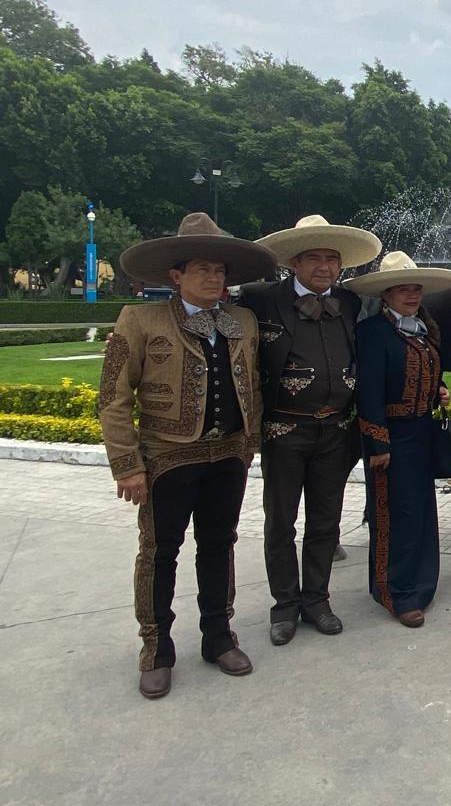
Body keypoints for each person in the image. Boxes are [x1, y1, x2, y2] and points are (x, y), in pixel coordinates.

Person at [101, 212, 276, 699]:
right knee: (159, 551)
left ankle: (219, 637)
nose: (214, 276)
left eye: (219, 269)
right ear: (176, 275)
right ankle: (155, 649)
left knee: (219, 545)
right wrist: (127, 464)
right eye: (202, 268)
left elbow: (253, 386)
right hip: (166, 457)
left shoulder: (241, 321)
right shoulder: (140, 319)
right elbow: (112, 396)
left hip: (227, 455)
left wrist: (250, 444)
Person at [240, 215, 382, 644]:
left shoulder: (350, 303)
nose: (325, 267)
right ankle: (284, 605)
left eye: (332, 259)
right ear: (294, 263)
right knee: (280, 521)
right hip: (284, 431)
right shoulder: (260, 299)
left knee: (327, 521)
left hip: (336, 432)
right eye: (315, 258)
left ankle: (317, 600)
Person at [347, 252, 451, 626]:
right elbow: (369, 393)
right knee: (394, 514)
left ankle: (422, 582)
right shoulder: (373, 333)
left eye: (416, 289)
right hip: (393, 439)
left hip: (422, 432)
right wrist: (377, 445)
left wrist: (438, 390)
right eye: (402, 289)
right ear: (386, 294)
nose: (411, 295)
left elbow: (424, 372)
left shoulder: (423, 329)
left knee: (422, 512)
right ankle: (393, 591)